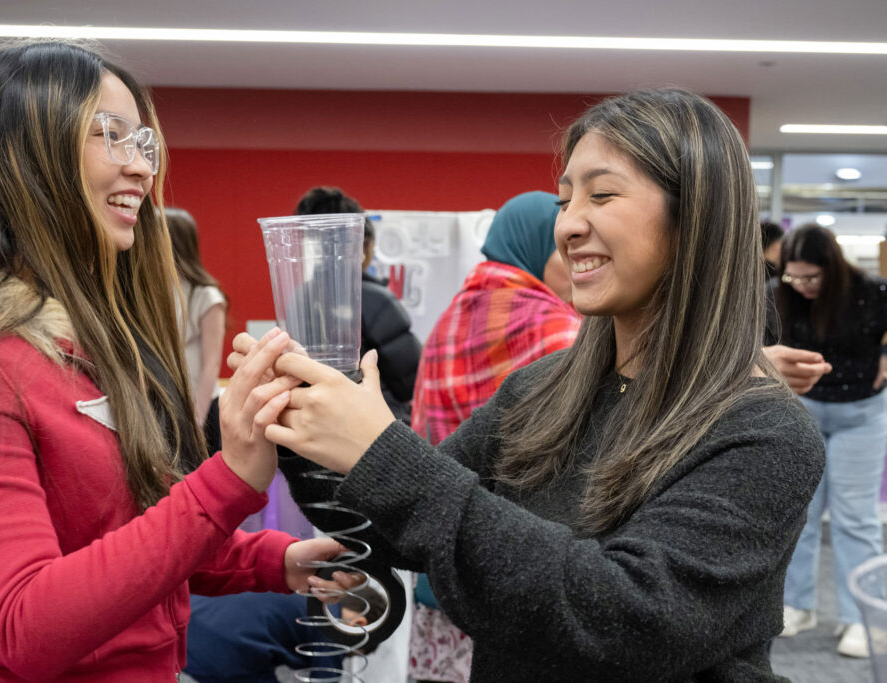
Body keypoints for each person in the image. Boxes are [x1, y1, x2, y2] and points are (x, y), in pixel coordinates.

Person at [229, 88, 825, 682]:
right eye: (565, 200)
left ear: (694, 216)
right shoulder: (543, 390)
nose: (569, 225)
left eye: (602, 194)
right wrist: (294, 422)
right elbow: (399, 532)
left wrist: (383, 452)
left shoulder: (765, 432)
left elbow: (625, 620)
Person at [0, 41, 343, 682]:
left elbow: (121, 542)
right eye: (109, 135)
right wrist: (225, 482)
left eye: (142, 143)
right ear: (24, 156)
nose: (142, 170)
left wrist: (274, 562)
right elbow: (25, 625)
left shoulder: (87, 331)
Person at [408, 189, 581, 682]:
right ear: (530, 245)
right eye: (564, 250)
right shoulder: (558, 331)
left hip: (442, 568)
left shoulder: (450, 318)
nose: (578, 264)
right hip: (516, 580)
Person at [766, 223, 887, 658]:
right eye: (793, 277)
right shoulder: (781, 294)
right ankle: (798, 604)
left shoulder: (871, 290)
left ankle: (860, 618)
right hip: (806, 411)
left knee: (856, 518)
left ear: (831, 269)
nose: (802, 285)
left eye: (811, 277)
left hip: (862, 415)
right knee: (802, 512)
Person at [294, 186, 422, 423]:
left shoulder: (298, 298)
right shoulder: (374, 300)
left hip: (313, 423)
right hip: (374, 429)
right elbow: (411, 382)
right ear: (363, 245)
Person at [166, 206, 228, 450]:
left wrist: (197, 418)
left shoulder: (207, 296)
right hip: (170, 403)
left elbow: (212, 363)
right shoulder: (157, 291)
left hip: (201, 406)